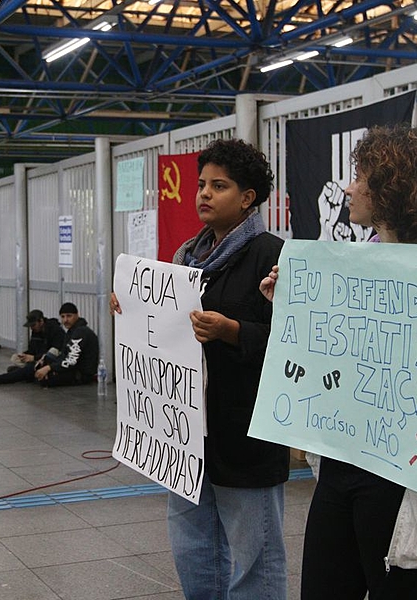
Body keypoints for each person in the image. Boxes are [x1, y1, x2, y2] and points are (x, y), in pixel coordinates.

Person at [261, 125, 417, 600]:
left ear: (392, 188)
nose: (348, 187)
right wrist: (287, 304)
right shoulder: (349, 263)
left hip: (407, 471)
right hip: (343, 458)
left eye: (360, 176)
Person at [110, 138, 287, 599]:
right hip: (186, 435)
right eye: (202, 184)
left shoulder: (273, 256)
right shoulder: (186, 260)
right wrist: (131, 308)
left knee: (255, 559)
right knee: (194, 549)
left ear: (248, 198)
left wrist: (232, 331)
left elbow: (293, 349)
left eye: (220, 186)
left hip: (246, 434)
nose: (204, 194)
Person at [0, 308, 65, 385]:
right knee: (16, 361)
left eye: (34, 325)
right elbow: (32, 349)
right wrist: (25, 356)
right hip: (37, 360)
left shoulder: (56, 331)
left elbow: (55, 353)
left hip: (50, 362)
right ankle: (24, 374)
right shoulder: (36, 332)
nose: (32, 328)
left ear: (41, 321)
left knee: (25, 370)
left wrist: (34, 358)